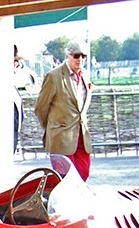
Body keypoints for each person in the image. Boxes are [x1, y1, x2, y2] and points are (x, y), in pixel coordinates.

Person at [34, 39, 93, 181]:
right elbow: (40, 108)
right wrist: (52, 128)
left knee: (83, 174)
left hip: (81, 137)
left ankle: (79, 202)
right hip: (60, 138)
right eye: (76, 55)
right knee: (65, 180)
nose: (80, 59)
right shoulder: (54, 76)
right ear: (68, 55)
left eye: (83, 56)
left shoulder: (85, 76)